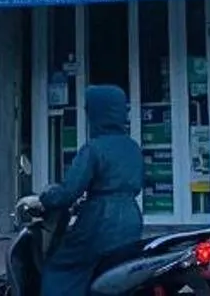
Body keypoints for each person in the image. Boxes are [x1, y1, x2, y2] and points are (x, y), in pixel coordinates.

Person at [36, 85, 142, 296]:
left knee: (61, 266)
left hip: (100, 222)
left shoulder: (93, 149)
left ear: (97, 112)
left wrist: (45, 198)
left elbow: (69, 192)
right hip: (131, 218)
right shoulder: (132, 147)